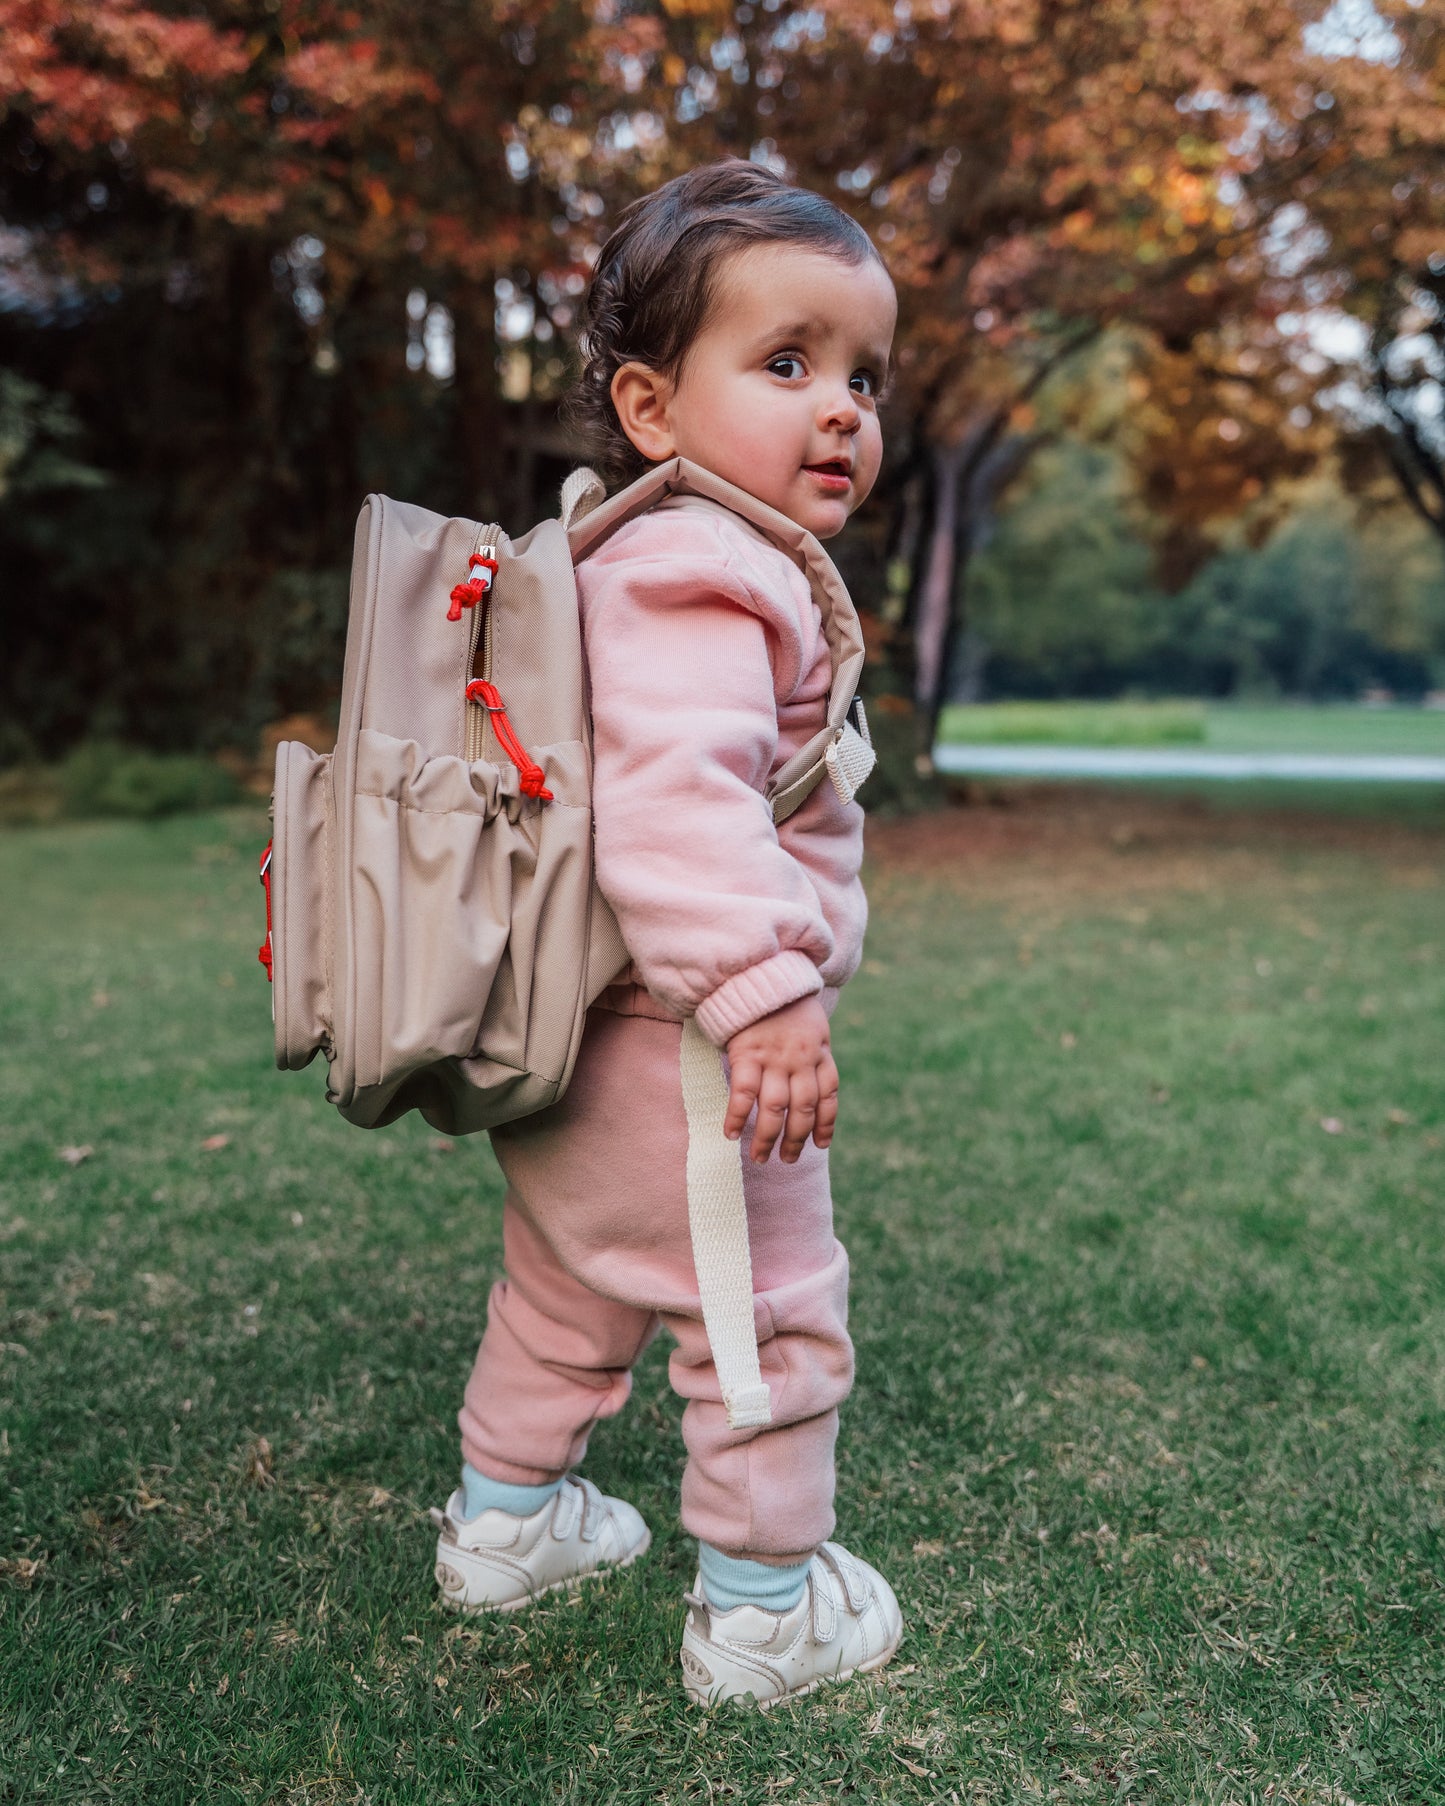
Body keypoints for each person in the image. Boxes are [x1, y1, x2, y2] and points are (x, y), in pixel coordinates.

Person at [430, 159, 902, 1709]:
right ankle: (764, 1609)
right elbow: (675, 805)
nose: (840, 406)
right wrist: (764, 994)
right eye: (786, 363)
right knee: (764, 1314)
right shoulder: (708, 571)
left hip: (586, 1032)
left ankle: (505, 1525)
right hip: (693, 1047)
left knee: (564, 1285)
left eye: (861, 373)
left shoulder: (619, 556)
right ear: (650, 406)